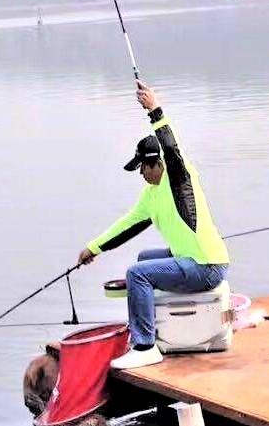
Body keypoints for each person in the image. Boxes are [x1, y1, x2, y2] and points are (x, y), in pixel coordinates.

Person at [78, 81, 229, 370]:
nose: (141, 174)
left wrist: (154, 110)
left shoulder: (180, 179)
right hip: (189, 260)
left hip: (207, 266)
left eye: (143, 167)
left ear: (157, 163)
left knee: (137, 274)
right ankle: (151, 325)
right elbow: (127, 225)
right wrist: (93, 248)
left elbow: (170, 146)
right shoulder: (151, 195)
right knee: (143, 260)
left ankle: (145, 346)